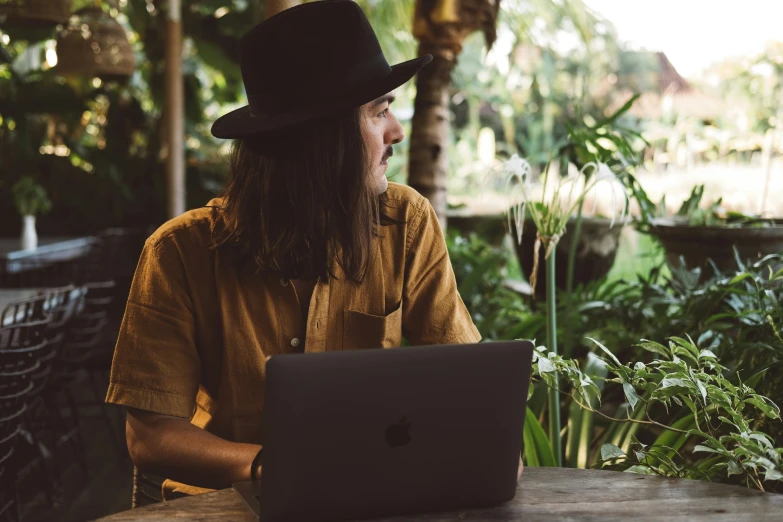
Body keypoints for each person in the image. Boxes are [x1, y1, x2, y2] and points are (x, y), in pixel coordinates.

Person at [106, 0, 514, 502]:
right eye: (379, 112)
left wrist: (487, 442)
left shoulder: (406, 222)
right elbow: (148, 435)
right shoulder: (179, 252)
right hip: (221, 506)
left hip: (367, 501)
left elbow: (463, 381)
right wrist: (277, 468)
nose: (397, 131)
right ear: (321, 139)